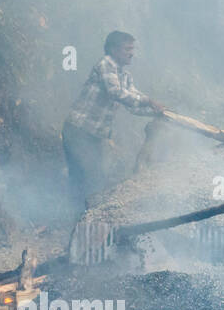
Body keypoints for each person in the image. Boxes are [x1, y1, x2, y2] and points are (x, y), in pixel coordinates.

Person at [62, 31, 164, 207]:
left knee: (92, 176)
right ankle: (80, 217)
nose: (131, 53)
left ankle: (81, 216)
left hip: (93, 135)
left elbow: (133, 102)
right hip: (78, 130)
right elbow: (116, 93)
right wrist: (148, 101)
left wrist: (156, 112)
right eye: (127, 49)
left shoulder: (124, 76)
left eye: (132, 49)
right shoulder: (106, 64)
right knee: (88, 176)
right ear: (113, 50)